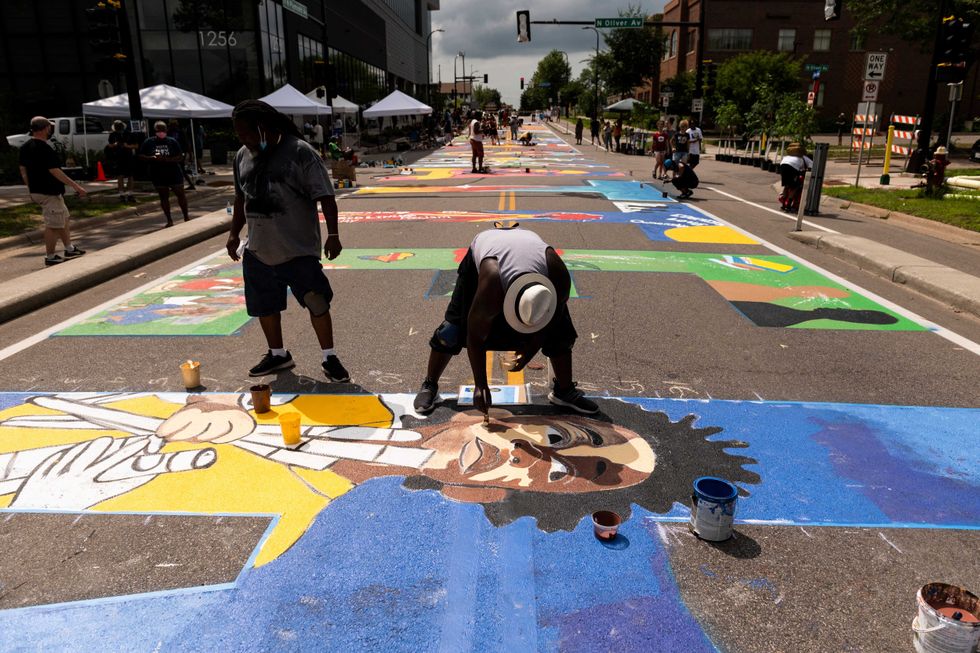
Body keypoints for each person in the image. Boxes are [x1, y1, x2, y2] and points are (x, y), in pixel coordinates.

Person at [413, 224, 599, 417]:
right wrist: (480, 386)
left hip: (527, 250)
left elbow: (550, 321)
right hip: (486, 252)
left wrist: (529, 352)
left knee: (562, 333)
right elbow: (475, 336)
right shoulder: (492, 282)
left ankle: (564, 391)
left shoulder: (558, 277)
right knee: (451, 331)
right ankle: (430, 385)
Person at [226, 100, 349, 382]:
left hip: (297, 249)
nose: (242, 138)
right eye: (238, 133)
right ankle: (278, 353)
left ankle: (329, 357)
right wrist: (234, 234)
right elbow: (240, 197)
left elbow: (325, 197)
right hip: (258, 250)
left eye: (246, 132)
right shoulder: (242, 156)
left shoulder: (300, 152)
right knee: (264, 306)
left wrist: (333, 235)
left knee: (316, 302)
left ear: (263, 126)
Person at [18, 116, 87, 266]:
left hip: (38, 190)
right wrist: (76, 186)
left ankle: (69, 248)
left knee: (64, 218)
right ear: (45, 129)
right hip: (49, 192)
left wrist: (30, 188)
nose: (50, 129)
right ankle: (50, 256)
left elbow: (23, 170)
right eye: (49, 127)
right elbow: (55, 171)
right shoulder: (45, 148)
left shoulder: (25, 147)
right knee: (53, 225)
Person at [140, 121, 189, 227]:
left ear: (166, 130)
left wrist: (167, 160)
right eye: (159, 130)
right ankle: (169, 220)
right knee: (163, 197)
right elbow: (141, 156)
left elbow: (180, 156)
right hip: (158, 173)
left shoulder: (172, 141)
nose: (161, 132)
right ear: (155, 131)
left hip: (173, 172)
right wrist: (152, 158)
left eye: (163, 130)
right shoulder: (149, 142)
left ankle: (186, 216)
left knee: (180, 194)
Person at [777, 142, 813, 212]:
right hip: (792, 168)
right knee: (795, 187)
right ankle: (788, 206)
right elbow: (812, 166)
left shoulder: (789, 156)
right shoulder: (804, 157)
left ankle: (783, 205)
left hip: (782, 166)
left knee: (787, 186)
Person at [106, 120, 136, 201]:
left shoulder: (129, 134)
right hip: (118, 157)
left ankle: (130, 194)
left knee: (130, 176)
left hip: (128, 157)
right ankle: (121, 194)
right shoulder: (113, 135)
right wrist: (114, 145)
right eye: (117, 126)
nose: (118, 127)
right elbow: (109, 145)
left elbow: (136, 145)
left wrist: (128, 146)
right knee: (120, 176)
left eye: (119, 125)